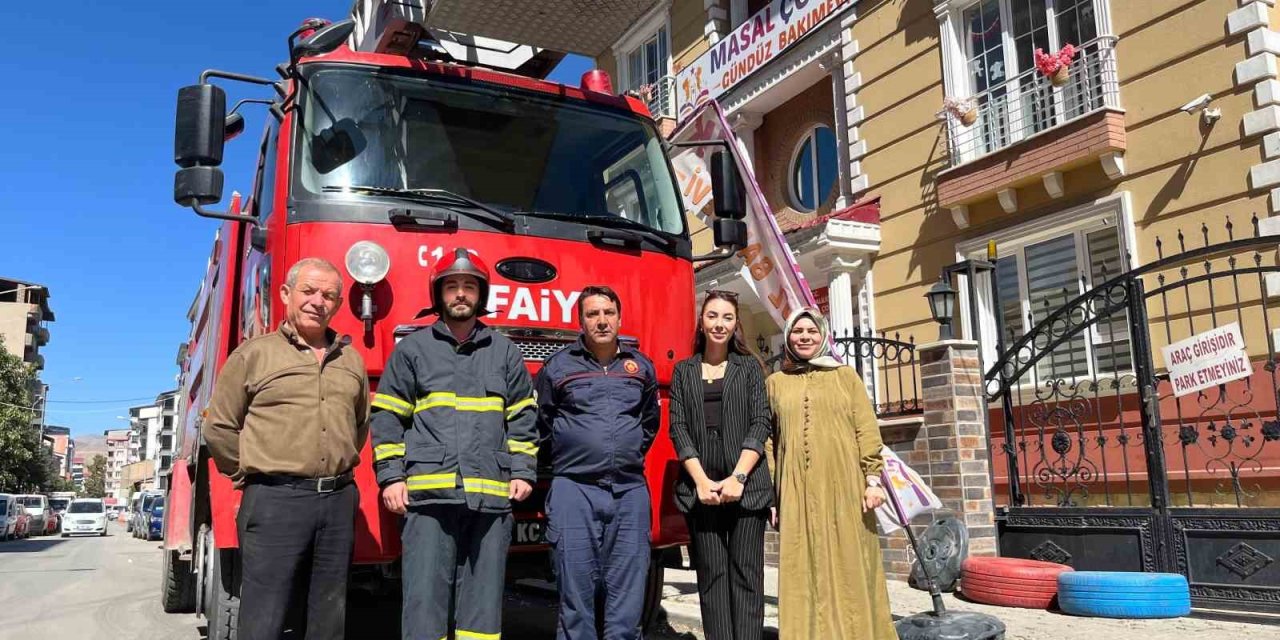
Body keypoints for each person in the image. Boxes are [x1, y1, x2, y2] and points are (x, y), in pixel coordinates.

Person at [370, 248, 538, 640]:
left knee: (483, 607)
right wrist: (391, 478)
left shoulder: (505, 352)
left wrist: (524, 470)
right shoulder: (412, 350)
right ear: (439, 295)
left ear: (481, 294)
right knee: (424, 603)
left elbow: (524, 417)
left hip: (491, 497)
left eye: (468, 286)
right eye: (452, 286)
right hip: (429, 496)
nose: (460, 294)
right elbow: (387, 417)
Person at [203, 257, 370, 640]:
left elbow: (359, 427)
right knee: (265, 618)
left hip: (338, 502)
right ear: (285, 294)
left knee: (329, 618)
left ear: (339, 304)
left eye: (329, 295)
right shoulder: (254, 354)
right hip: (274, 501)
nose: (318, 302)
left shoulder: (352, 361)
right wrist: (247, 472)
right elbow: (220, 427)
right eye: (308, 291)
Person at [535, 285, 660, 640]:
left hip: (629, 491)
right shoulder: (558, 368)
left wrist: (624, 451)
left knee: (628, 600)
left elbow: (649, 424)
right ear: (581, 321)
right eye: (593, 314)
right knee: (576, 598)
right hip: (574, 491)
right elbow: (542, 425)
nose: (602, 321)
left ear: (619, 318)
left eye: (608, 313)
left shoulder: (641, 367)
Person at [765, 307, 894, 639]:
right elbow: (768, 440)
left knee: (849, 561)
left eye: (811, 331)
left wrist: (873, 479)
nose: (805, 337)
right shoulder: (775, 383)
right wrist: (773, 495)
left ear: (823, 336)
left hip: (845, 485)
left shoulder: (845, 376)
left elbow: (866, 429)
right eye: (797, 331)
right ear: (788, 337)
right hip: (794, 488)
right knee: (802, 565)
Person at [667, 290, 773, 640]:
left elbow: (761, 423)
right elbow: (678, 428)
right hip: (702, 491)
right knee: (711, 578)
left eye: (727, 317)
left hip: (746, 489)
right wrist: (700, 481)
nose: (719, 324)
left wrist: (738, 476)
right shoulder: (684, 370)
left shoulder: (750, 368)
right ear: (702, 320)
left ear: (735, 324)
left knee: (746, 577)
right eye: (712, 316)